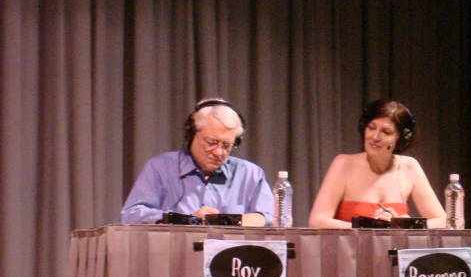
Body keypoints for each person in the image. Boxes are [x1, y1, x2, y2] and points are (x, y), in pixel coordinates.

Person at [121, 98, 273, 226]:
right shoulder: (160, 168)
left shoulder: (250, 174)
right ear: (192, 134)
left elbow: (273, 218)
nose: (219, 152)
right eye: (211, 142)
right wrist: (187, 220)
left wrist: (248, 219)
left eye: (226, 145)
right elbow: (131, 216)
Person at [308, 99, 446, 229]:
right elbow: (317, 221)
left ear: (401, 138)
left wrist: (406, 224)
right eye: (371, 128)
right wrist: (370, 226)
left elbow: (442, 220)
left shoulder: (410, 166)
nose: (375, 137)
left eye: (386, 132)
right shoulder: (344, 163)